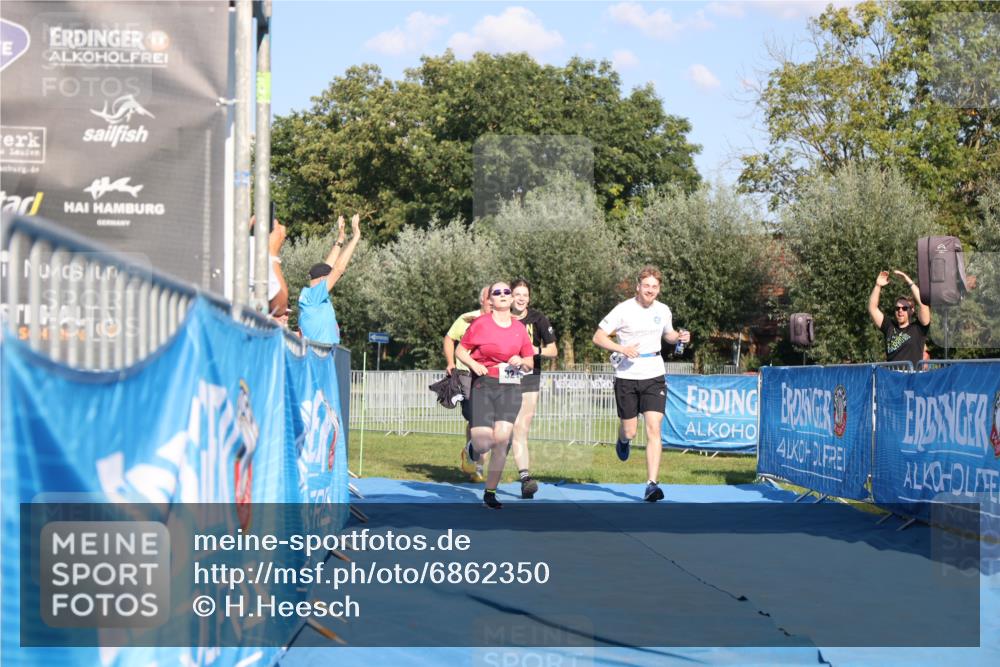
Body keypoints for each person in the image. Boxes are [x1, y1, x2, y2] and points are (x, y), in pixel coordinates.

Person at [592, 266, 690, 502]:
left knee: (654, 427)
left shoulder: (663, 310)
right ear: (638, 286)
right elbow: (598, 337)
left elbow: (667, 335)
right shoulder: (623, 309)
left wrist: (679, 337)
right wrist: (621, 348)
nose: (650, 290)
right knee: (631, 430)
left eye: (654, 287)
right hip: (627, 376)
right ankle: (622, 439)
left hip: (654, 373)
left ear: (659, 289)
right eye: (646, 286)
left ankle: (651, 484)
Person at [456, 281, 535, 509]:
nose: (502, 295)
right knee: (483, 444)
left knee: (502, 441)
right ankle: (472, 448)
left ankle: (490, 493)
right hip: (484, 385)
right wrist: (473, 363)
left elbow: (529, 361)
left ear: (511, 299)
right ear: (489, 301)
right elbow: (461, 350)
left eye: (506, 292)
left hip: (510, 387)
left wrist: (521, 361)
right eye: (496, 292)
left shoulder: (519, 329)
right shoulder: (481, 324)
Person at [508, 278, 557, 499]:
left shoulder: (538, 319)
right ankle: (475, 446)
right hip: (502, 377)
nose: (521, 298)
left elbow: (553, 350)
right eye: (517, 294)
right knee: (496, 430)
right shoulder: (500, 317)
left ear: (529, 297)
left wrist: (534, 351)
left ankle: (525, 478)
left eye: (525, 295)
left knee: (521, 428)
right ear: (510, 296)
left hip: (529, 376)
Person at [445, 285, 493, 483]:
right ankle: (472, 457)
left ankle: (477, 465)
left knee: (487, 422)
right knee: (476, 420)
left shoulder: (503, 322)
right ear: (482, 300)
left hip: (491, 375)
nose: (493, 301)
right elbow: (449, 339)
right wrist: (450, 362)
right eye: (490, 297)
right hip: (466, 374)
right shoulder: (466, 318)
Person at [298, 213, 361, 344]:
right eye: (329, 278)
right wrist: (356, 237)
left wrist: (341, 237)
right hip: (319, 357)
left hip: (323, 356)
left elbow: (328, 267)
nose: (333, 280)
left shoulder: (313, 296)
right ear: (322, 280)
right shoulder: (314, 296)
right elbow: (337, 269)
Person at [867, 269, 930, 365]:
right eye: (897, 308)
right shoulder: (889, 326)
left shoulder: (918, 328)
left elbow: (923, 304)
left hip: (911, 378)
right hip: (892, 377)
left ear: (911, 310)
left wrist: (908, 280)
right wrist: (878, 286)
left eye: (904, 308)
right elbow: (872, 308)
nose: (900, 311)